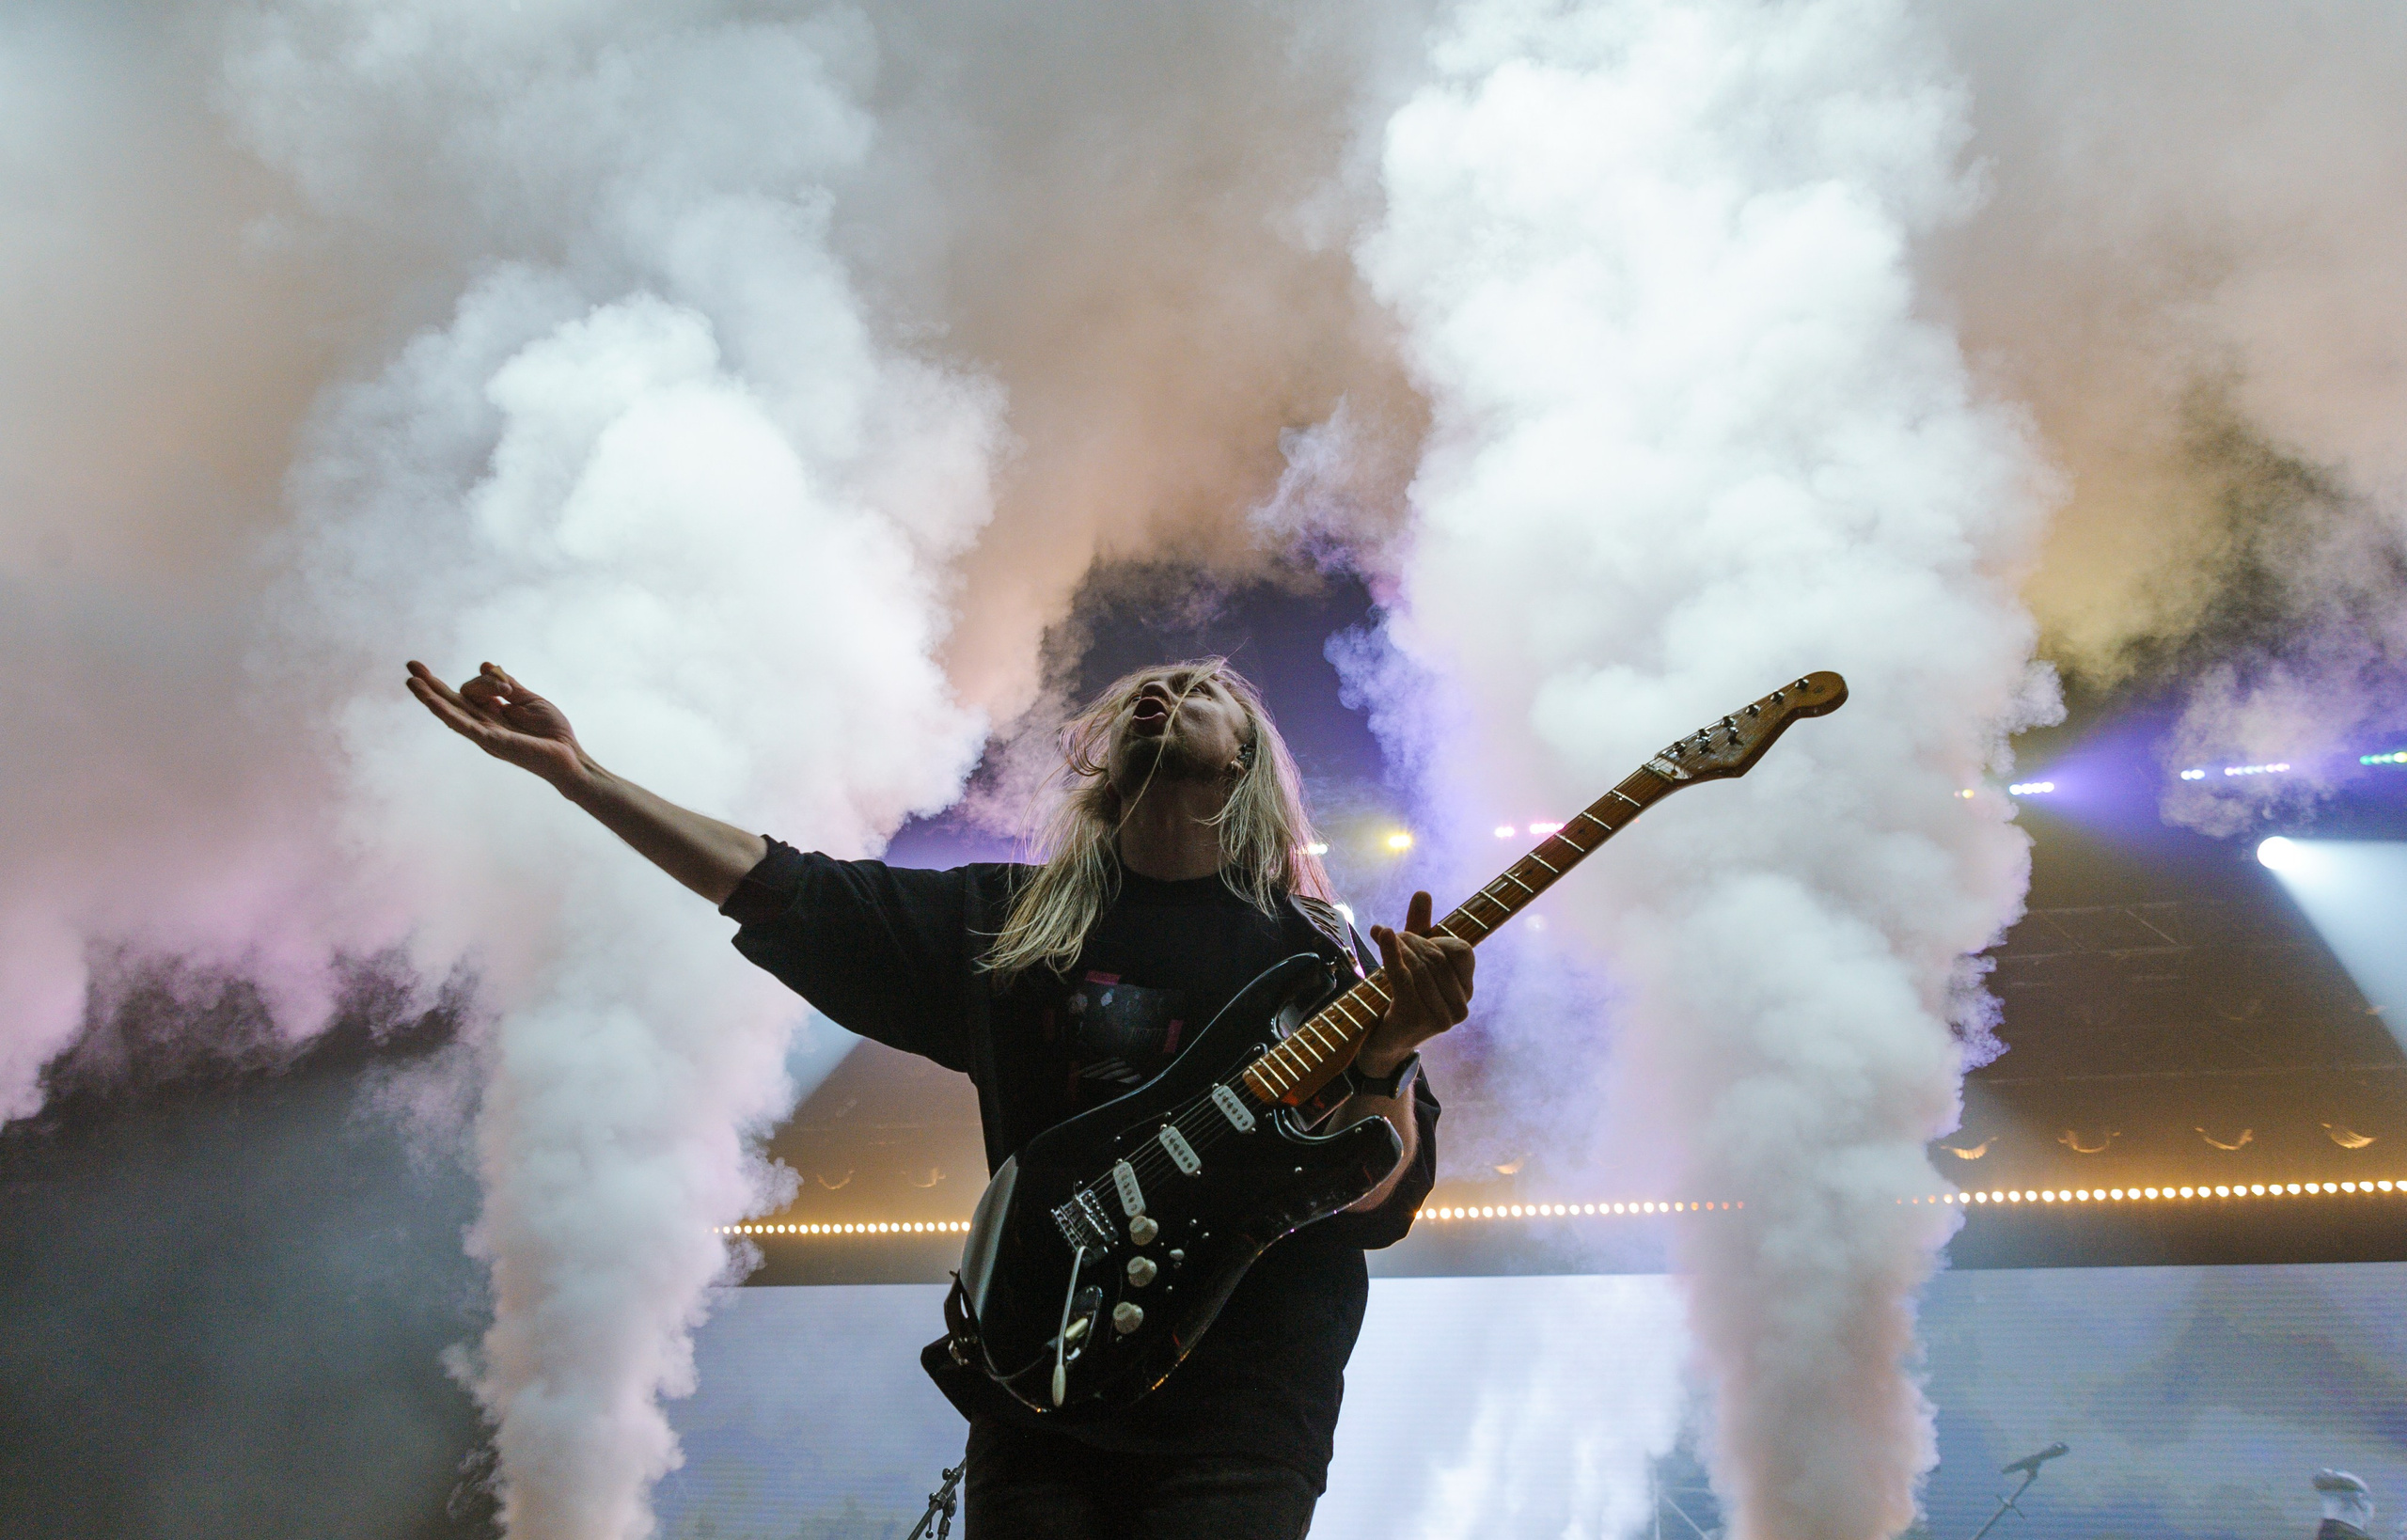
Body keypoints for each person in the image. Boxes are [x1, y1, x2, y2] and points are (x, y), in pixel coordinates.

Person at [404, 655, 1475, 1539]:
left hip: (1242, 1405)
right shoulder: (1013, 925)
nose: (1166, 689)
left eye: (1202, 688)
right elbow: (780, 885)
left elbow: (1375, 1207)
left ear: (1242, 757)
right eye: (1149, 685)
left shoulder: (1316, 960)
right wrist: (583, 777)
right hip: (1041, 1382)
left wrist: (1388, 1059)